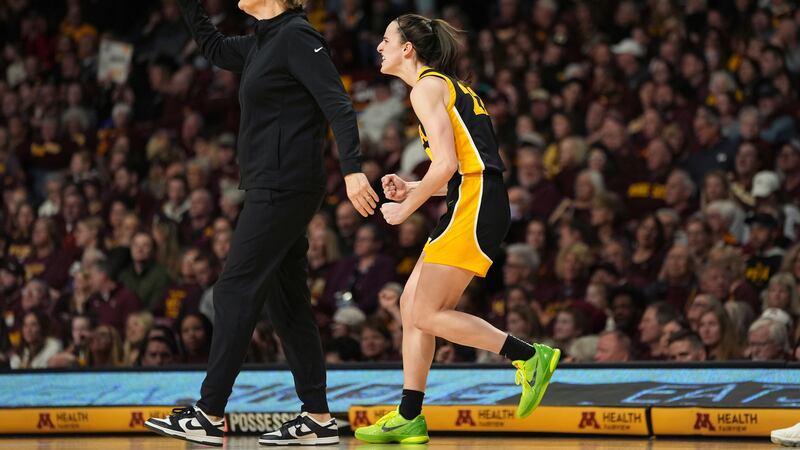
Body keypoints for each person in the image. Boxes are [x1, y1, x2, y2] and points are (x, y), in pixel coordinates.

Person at [144, 0, 378, 446]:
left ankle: (210, 413)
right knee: (286, 302)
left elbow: (340, 106)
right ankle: (317, 417)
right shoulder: (261, 43)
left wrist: (351, 171)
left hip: (283, 184)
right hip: (275, 185)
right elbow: (212, 46)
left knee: (234, 288)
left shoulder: (296, 36)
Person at [354, 15, 559, 445]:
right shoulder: (443, 86)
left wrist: (408, 207)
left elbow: (449, 165)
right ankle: (409, 415)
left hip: (476, 199)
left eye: (386, 39)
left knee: (425, 313)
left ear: (408, 48)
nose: (379, 47)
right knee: (412, 308)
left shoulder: (427, 88)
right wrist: (412, 187)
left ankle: (528, 355)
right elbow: (459, 164)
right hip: (472, 196)